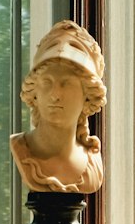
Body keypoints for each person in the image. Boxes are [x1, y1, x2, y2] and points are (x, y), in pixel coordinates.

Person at [10, 21, 107, 193]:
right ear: (34, 92)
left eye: (67, 83)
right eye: (47, 82)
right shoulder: (20, 148)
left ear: (87, 96)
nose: (55, 94)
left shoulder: (91, 162)